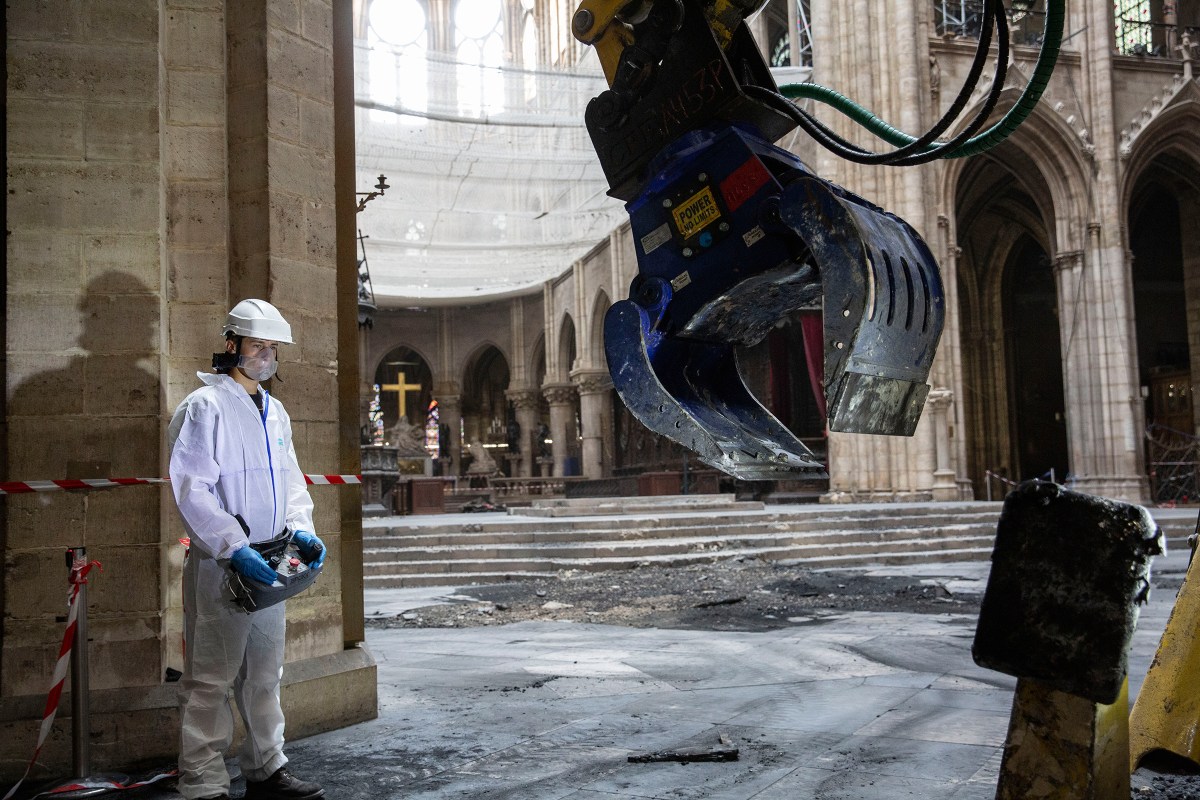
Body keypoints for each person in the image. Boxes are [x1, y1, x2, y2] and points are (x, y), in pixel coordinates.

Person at [168, 299, 327, 800]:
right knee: (211, 675)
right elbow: (193, 488)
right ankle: (203, 781)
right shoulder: (204, 407)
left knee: (264, 672)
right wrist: (232, 546)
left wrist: (302, 526)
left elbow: (290, 480)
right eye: (258, 346)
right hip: (224, 566)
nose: (266, 356)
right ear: (231, 344)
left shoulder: (273, 411)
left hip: (273, 560)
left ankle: (266, 767)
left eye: (273, 348)